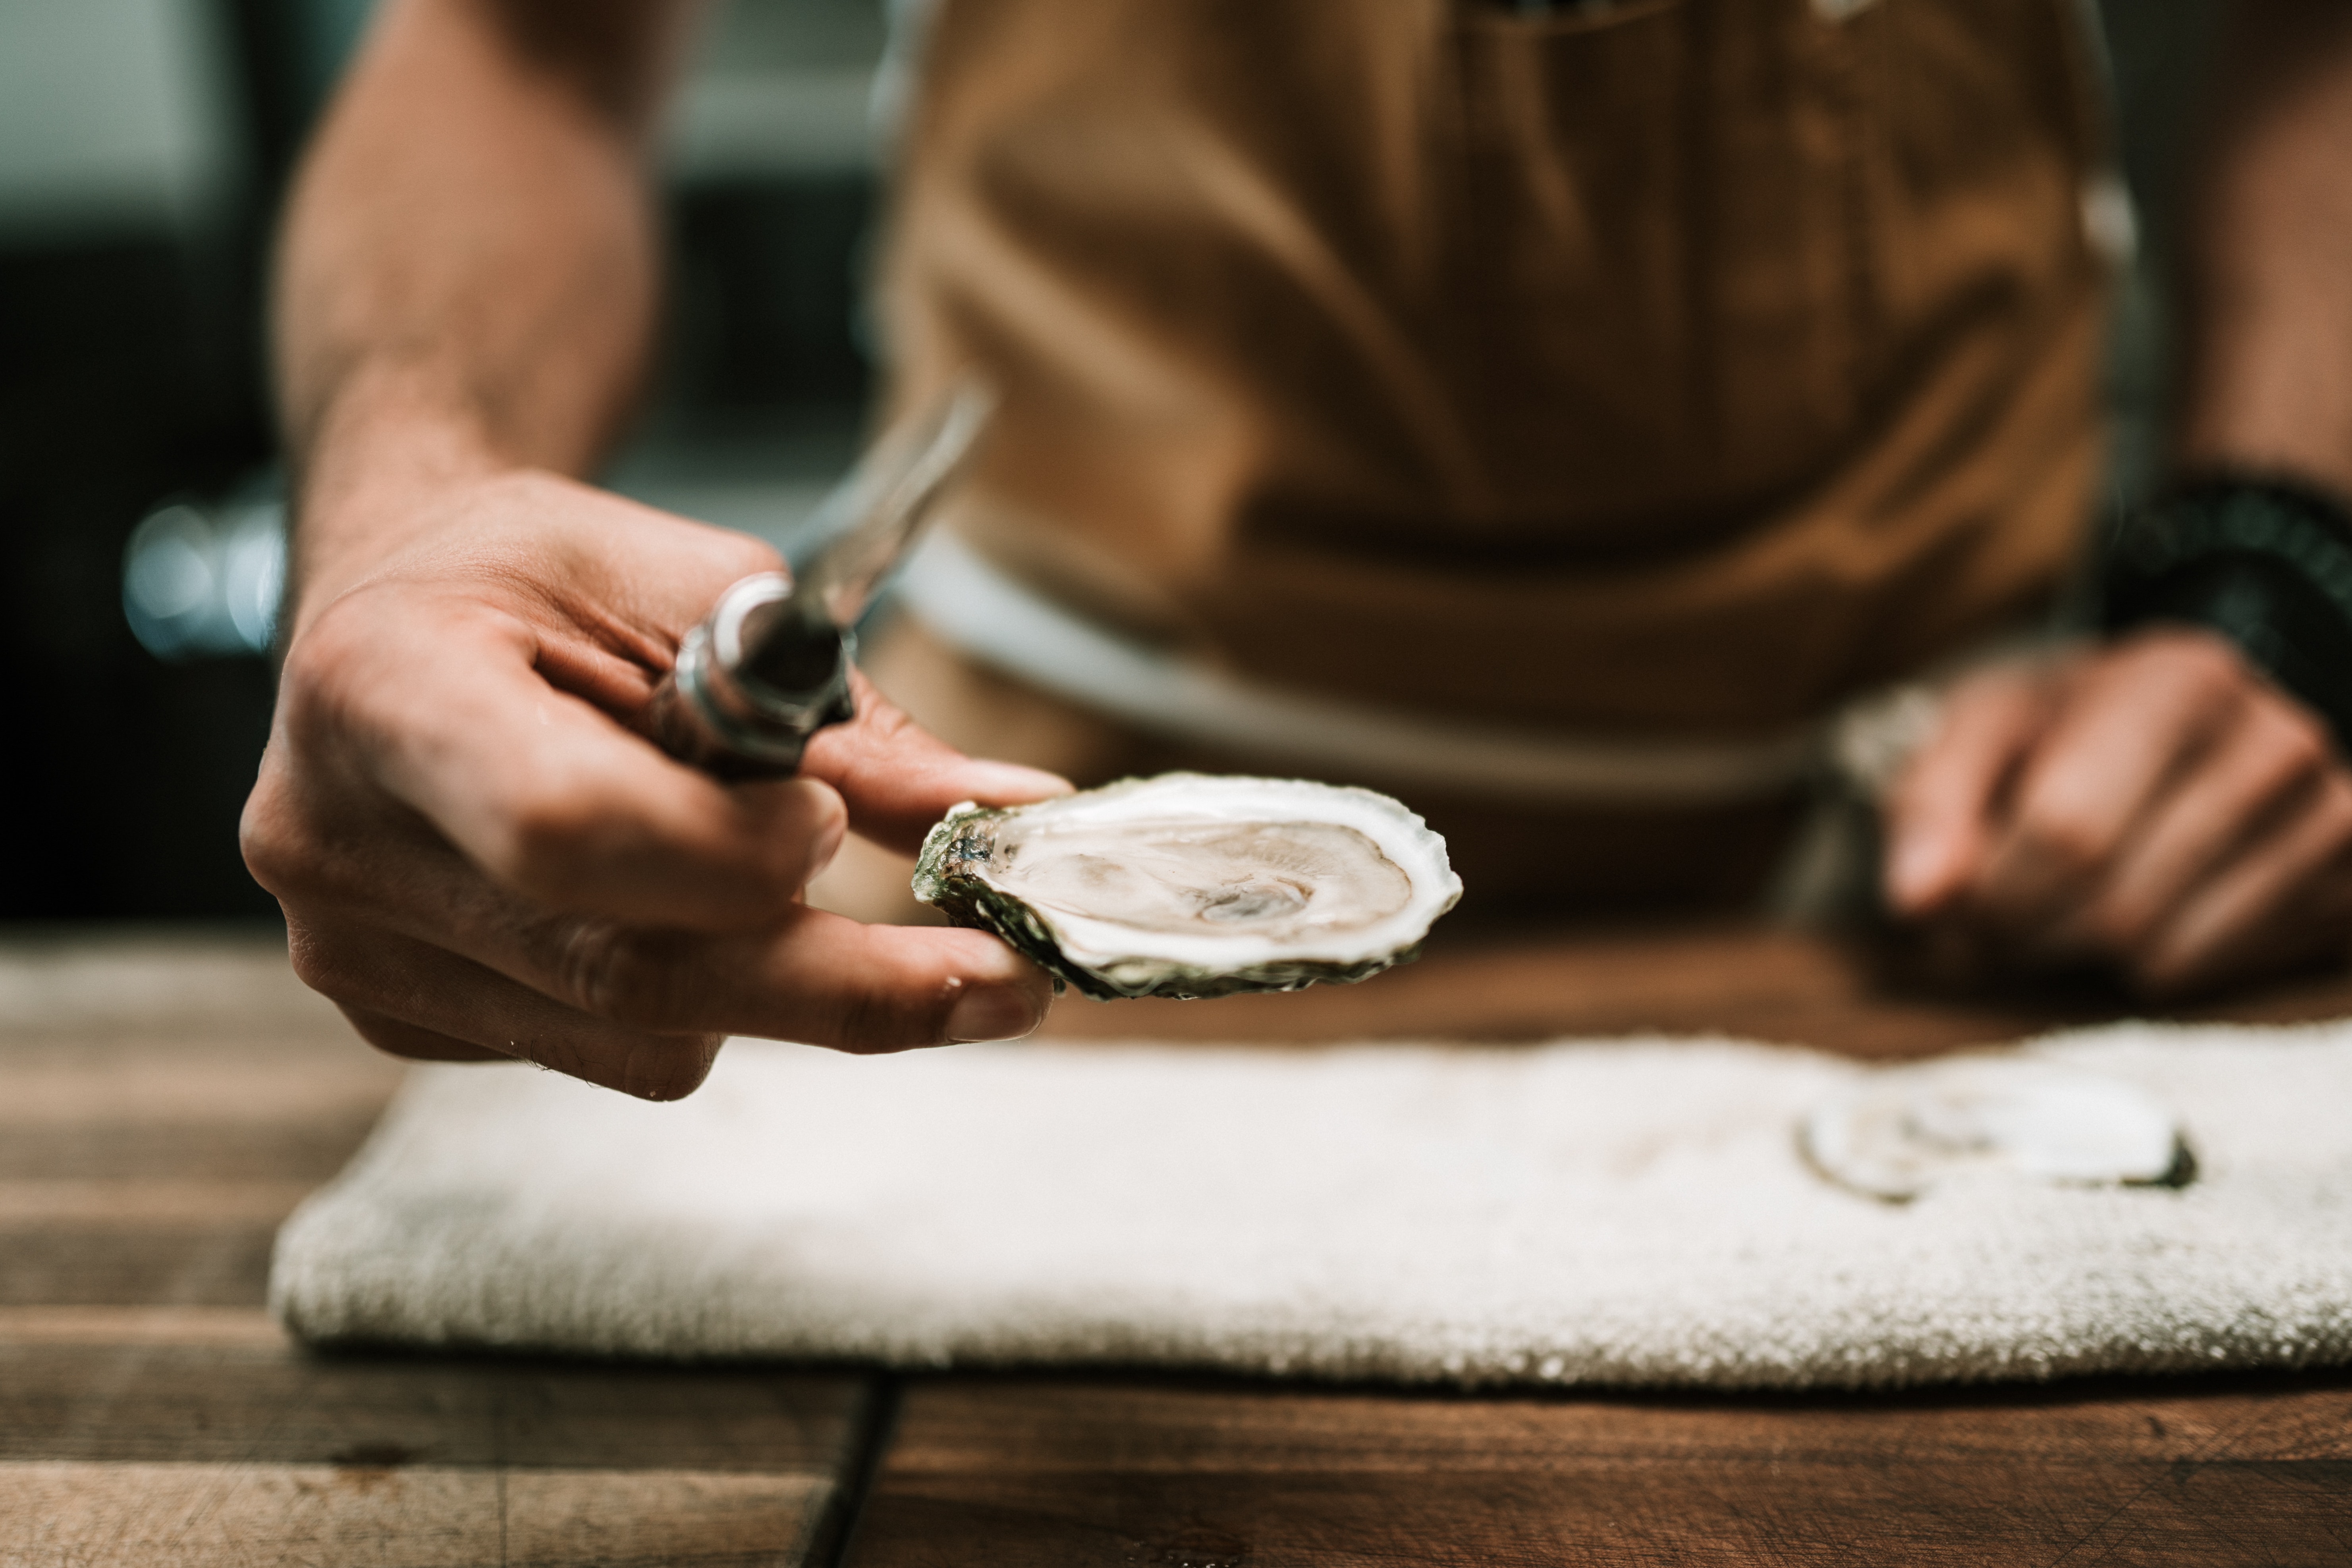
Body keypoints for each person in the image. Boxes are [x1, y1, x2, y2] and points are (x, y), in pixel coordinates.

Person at [242, 0, 2352, 1101]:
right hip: (1039, 883)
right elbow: (531, 40)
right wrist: (409, 504)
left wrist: (2269, 579)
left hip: (1961, 864)